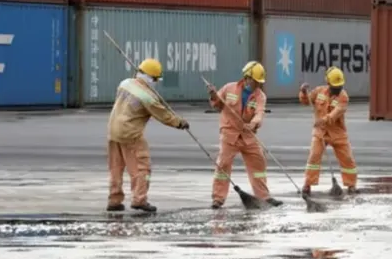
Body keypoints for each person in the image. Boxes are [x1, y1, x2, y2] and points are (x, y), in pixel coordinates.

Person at [107, 58, 189, 213]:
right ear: (151, 78)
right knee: (142, 167)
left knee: (115, 167)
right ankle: (139, 200)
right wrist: (179, 123)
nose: (156, 83)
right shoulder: (148, 97)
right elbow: (163, 115)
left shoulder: (125, 83)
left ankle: (114, 200)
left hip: (112, 130)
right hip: (130, 133)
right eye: (156, 80)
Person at [206, 61, 282, 209]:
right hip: (230, 134)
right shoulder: (229, 88)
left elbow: (259, 113)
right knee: (223, 165)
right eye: (255, 81)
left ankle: (263, 197)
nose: (257, 85)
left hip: (248, 136)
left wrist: (253, 124)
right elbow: (217, 106)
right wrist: (214, 95)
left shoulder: (260, 96)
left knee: (258, 162)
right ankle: (218, 199)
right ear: (247, 78)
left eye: (259, 82)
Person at [298, 67, 358, 196]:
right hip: (320, 132)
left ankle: (351, 184)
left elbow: (336, 112)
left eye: (340, 86)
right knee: (314, 156)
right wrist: (303, 92)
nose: (338, 89)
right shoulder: (319, 91)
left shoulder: (343, 97)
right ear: (329, 83)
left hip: (338, 132)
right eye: (335, 86)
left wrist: (323, 120)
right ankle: (308, 184)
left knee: (347, 159)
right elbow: (306, 100)